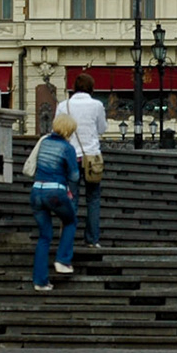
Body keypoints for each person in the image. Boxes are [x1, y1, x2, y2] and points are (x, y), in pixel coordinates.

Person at [29, 113, 80, 292]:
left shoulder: (44, 142)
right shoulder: (67, 148)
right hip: (55, 192)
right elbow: (74, 175)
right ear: (68, 130)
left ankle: (40, 281)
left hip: (36, 192)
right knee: (70, 221)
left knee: (44, 237)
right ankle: (63, 260)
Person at [63, 73, 108, 249]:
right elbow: (102, 129)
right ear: (91, 87)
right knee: (93, 198)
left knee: (71, 198)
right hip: (92, 157)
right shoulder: (97, 105)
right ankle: (92, 239)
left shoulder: (63, 105)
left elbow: (57, 127)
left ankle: (69, 238)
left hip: (70, 156)